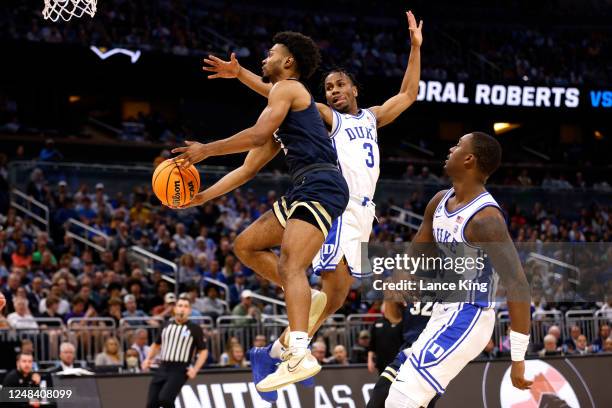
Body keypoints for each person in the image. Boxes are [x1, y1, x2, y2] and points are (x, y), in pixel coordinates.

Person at [198, 11, 422, 400]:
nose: (333, 91)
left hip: (362, 213)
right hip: (331, 200)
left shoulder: (370, 118)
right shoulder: (324, 116)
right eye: (329, 86)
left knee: (335, 296)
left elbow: (408, 94)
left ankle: (271, 353)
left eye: (340, 85)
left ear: (354, 89)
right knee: (301, 273)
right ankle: (294, 350)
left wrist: (416, 48)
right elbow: (282, 93)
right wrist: (243, 77)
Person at [174, 30, 348, 391]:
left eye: (270, 53)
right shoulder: (283, 107)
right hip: (303, 187)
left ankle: (300, 352)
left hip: (321, 184)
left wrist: (207, 150)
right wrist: (203, 197)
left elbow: (255, 134)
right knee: (246, 245)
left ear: (288, 62)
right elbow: (247, 169)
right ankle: (306, 295)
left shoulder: (291, 88)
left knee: (291, 263)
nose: (263, 59)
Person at [385, 132, 532, 408]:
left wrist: (518, 359)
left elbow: (518, 285)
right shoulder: (440, 200)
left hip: (469, 316)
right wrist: (397, 282)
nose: (450, 148)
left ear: (469, 159)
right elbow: (419, 246)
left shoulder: (486, 219)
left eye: (457, 145)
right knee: (390, 391)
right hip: (442, 314)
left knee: (399, 400)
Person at [142, 297, 208, 408]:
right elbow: (156, 344)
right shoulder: (165, 325)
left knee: (165, 399)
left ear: (190, 311)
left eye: (186, 306)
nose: (182, 309)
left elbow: (203, 351)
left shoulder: (195, 329)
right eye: (180, 306)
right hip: (163, 367)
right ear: (175, 309)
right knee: (151, 404)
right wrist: (148, 359)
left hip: (180, 369)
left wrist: (195, 369)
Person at [367, 300, 433, 407]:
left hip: (426, 354)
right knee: (380, 392)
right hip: (411, 353)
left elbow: (393, 315)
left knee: (381, 393)